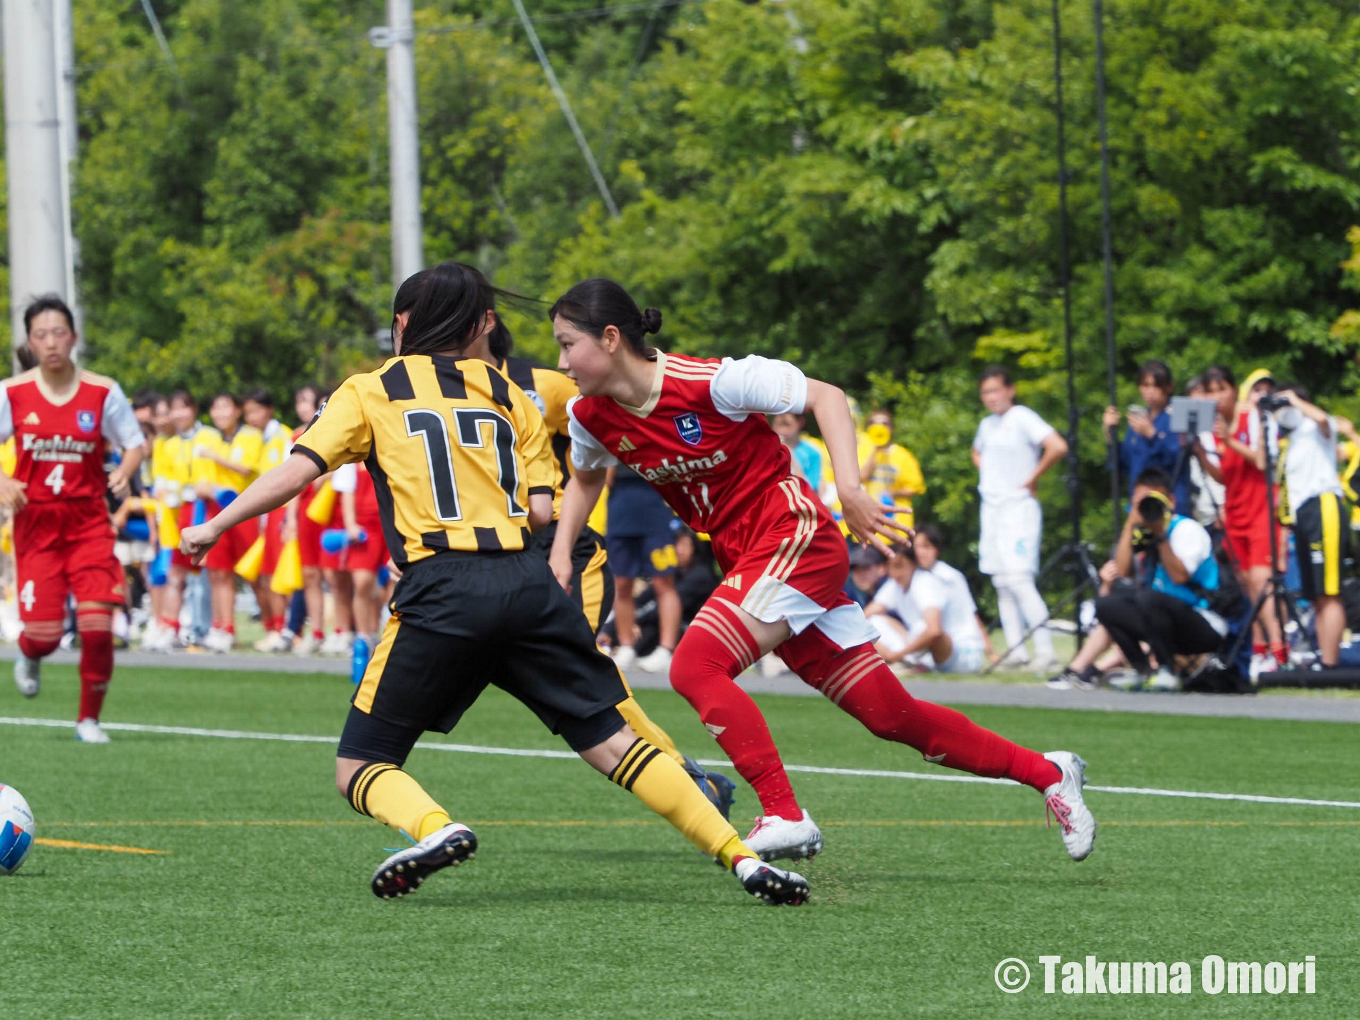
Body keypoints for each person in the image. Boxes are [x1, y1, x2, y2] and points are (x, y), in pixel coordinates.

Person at [180, 262, 806, 905]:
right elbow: (542, 511)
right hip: (529, 584)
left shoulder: (370, 390)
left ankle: (434, 826)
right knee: (616, 745)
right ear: (479, 324)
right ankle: (739, 858)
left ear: (403, 324)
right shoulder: (509, 392)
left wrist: (215, 526)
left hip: (443, 587)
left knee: (359, 764)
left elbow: (297, 472)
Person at [548, 277, 1096, 865]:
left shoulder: (713, 381)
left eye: (566, 344)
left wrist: (852, 491)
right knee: (892, 717)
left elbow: (828, 396)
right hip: (753, 560)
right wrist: (560, 556)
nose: (561, 363)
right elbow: (584, 478)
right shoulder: (589, 416)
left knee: (694, 665)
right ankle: (1050, 773)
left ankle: (784, 813)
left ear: (609, 339)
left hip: (796, 537)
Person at [483, 322, 736, 817]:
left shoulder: (546, 386)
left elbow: (621, 425)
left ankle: (688, 782)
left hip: (556, 548)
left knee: (580, 677)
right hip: (483, 559)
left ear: (480, 324)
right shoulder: (429, 394)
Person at [0, 295, 145, 743]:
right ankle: (29, 652)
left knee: (98, 628)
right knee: (44, 635)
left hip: (88, 524)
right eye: (40, 335)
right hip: (36, 524)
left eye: (58, 332)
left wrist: (124, 469)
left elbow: (135, 442)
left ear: (74, 337)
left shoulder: (103, 391)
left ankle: (88, 720)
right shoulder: (12, 392)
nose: (51, 342)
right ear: (30, 341)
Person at [973, 366, 1067, 671]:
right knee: (1001, 581)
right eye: (986, 392)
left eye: (996, 390)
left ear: (1010, 390)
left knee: (1020, 579)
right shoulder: (987, 425)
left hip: (1018, 508)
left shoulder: (1022, 417)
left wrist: (1032, 477)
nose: (992, 397)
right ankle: (1017, 651)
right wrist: (991, 474)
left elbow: (1057, 445)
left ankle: (1045, 650)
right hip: (993, 508)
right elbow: (976, 453)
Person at [1198, 366, 1285, 676]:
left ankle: (1279, 652)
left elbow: (1262, 461)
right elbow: (1224, 475)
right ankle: (1259, 651)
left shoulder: (1254, 416)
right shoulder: (1212, 426)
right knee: (1248, 587)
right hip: (1234, 513)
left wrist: (1229, 440)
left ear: (1234, 390)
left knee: (1264, 584)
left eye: (1222, 389)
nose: (1217, 397)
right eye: (1210, 391)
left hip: (1260, 509)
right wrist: (1200, 452)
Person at [1271, 384, 1353, 667]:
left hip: (1323, 507)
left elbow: (1322, 419)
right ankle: (1324, 659)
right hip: (1302, 515)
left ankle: (1330, 664)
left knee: (1329, 591)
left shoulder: (1316, 428)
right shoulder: (1289, 441)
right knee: (1317, 593)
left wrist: (1294, 399)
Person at [194, 392, 264, 652]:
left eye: (225, 407)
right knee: (218, 573)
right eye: (215, 408)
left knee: (253, 573)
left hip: (245, 511)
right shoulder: (209, 438)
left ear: (237, 410)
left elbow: (245, 469)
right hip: (216, 511)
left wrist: (213, 456)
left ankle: (277, 627)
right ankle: (223, 627)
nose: (219, 413)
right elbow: (201, 479)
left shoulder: (251, 436)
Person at [865, 541, 988, 674]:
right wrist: (887, 653)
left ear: (913, 563)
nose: (895, 572)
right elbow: (866, 615)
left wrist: (896, 656)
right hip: (925, 650)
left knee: (922, 628)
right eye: (890, 567)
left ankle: (909, 663)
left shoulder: (925, 582)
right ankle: (907, 663)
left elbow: (934, 631)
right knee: (874, 621)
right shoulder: (896, 584)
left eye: (900, 565)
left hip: (963, 653)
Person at [604, 464, 683, 672]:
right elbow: (607, 476)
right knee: (621, 582)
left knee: (663, 581)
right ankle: (627, 645)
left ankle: (666, 650)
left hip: (654, 508)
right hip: (620, 508)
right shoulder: (615, 436)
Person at [243, 389, 294, 651]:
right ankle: (275, 626)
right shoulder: (259, 439)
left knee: (277, 573)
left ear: (269, 409)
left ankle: (284, 628)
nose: (251, 417)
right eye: (248, 412)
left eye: (256, 410)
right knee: (265, 573)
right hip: (266, 513)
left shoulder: (283, 437)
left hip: (281, 510)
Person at [1103, 360, 1187, 512]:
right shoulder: (1139, 419)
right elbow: (1122, 465)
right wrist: (1110, 435)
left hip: (1168, 503)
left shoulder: (1177, 417)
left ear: (1169, 387)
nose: (1151, 391)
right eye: (1145, 385)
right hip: (1140, 504)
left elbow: (1176, 460)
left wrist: (1152, 435)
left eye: (1157, 385)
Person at [911, 523, 997, 664]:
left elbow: (972, 614)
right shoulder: (916, 576)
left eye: (926, 546)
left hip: (961, 648)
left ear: (936, 548)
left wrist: (990, 652)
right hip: (941, 651)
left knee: (927, 628)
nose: (921, 552)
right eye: (917, 547)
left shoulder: (949, 576)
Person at [859, 409, 925, 529]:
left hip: (897, 524)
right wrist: (875, 449)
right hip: (868, 523)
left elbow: (915, 487)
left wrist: (894, 493)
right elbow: (861, 477)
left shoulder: (904, 456)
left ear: (892, 428)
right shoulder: (861, 452)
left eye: (884, 424)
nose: (879, 427)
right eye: (873, 423)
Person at [770, 412, 825, 497]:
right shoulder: (767, 449)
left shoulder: (812, 452)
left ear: (800, 423)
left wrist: (790, 455)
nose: (782, 430)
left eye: (787, 424)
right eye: (778, 424)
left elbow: (811, 490)